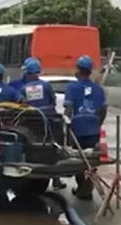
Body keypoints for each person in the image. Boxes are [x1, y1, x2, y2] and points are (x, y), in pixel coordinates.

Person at [63, 55, 107, 200]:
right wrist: (97, 124)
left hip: (78, 129)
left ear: (78, 70)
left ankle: (83, 187)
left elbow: (68, 109)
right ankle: (87, 187)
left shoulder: (72, 87)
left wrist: (66, 125)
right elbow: (103, 110)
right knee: (91, 159)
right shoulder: (98, 89)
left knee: (79, 160)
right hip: (93, 129)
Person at [19, 58, 66, 189]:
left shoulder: (24, 88)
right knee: (54, 147)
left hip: (31, 123)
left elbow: (22, 105)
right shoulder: (46, 85)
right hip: (49, 121)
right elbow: (53, 100)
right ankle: (56, 179)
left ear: (28, 73)